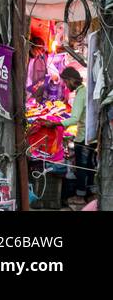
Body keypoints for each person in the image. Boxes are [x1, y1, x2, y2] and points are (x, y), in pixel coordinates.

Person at [61, 66, 93, 204]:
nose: (65, 86)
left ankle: (80, 197)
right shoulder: (86, 91)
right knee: (90, 166)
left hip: (83, 136)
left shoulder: (81, 93)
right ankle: (90, 194)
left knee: (81, 167)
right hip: (91, 135)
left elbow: (74, 119)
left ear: (72, 80)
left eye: (66, 82)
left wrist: (57, 124)